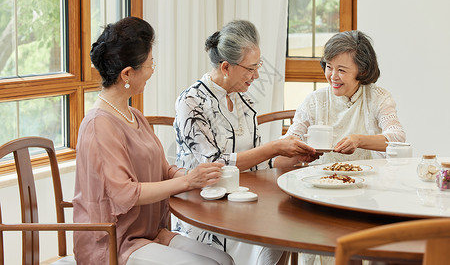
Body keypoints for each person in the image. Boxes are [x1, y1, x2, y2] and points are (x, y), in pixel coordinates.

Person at [72, 17, 234, 265]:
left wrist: (198, 176)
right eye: (149, 64)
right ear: (127, 74)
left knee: (224, 260)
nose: (152, 70)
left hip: (150, 234)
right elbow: (125, 194)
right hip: (115, 243)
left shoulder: (133, 115)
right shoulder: (99, 125)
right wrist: (188, 181)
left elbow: (163, 170)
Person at [174, 20, 320, 265]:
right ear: (226, 67)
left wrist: (293, 155)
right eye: (251, 68)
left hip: (242, 201)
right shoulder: (191, 102)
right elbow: (214, 165)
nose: (257, 75)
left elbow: (257, 163)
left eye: (258, 66)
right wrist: (274, 146)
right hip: (204, 207)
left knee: (287, 225)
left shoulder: (245, 101)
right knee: (276, 232)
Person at [274, 30, 406, 264]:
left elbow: (397, 138)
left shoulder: (378, 98)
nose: (332, 76)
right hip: (319, 193)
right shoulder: (314, 101)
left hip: (368, 196)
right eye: (329, 66)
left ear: (362, 71)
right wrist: (300, 153)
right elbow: (279, 159)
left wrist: (359, 140)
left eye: (342, 70)